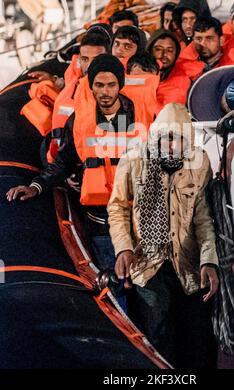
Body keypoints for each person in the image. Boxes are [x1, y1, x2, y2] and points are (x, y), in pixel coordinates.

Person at [6, 55, 141, 282]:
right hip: (101, 221)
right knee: (115, 283)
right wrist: (36, 186)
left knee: (149, 294)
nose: (105, 92)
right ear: (91, 86)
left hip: (138, 218)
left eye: (111, 85)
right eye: (99, 85)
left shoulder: (142, 116)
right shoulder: (79, 120)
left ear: (120, 85)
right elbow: (64, 161)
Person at [107, 103, 219, 368]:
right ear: (156, 135)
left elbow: (204, 218)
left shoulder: (200, 163)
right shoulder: (133, 161)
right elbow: (118, 207)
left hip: (188, 265)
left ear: (187, 140)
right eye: (166, 137)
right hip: (147, 265)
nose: (171, 145)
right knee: (156, 340)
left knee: (197, 340)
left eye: (178, 138)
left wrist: (209, 260)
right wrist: (123, 248)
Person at [49, 32, 111, 162]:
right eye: (85, 59)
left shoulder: (116, 96)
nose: (89, 65)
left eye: (96, 59)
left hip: (93, 166)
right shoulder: (70, 86)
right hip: (59, 161)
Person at [147, 29, 190, 110]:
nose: (164, 55)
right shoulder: (135, 73)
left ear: (176, 54)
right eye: (158, 49)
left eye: (170, 50)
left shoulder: (187, 79)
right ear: (150, 51)